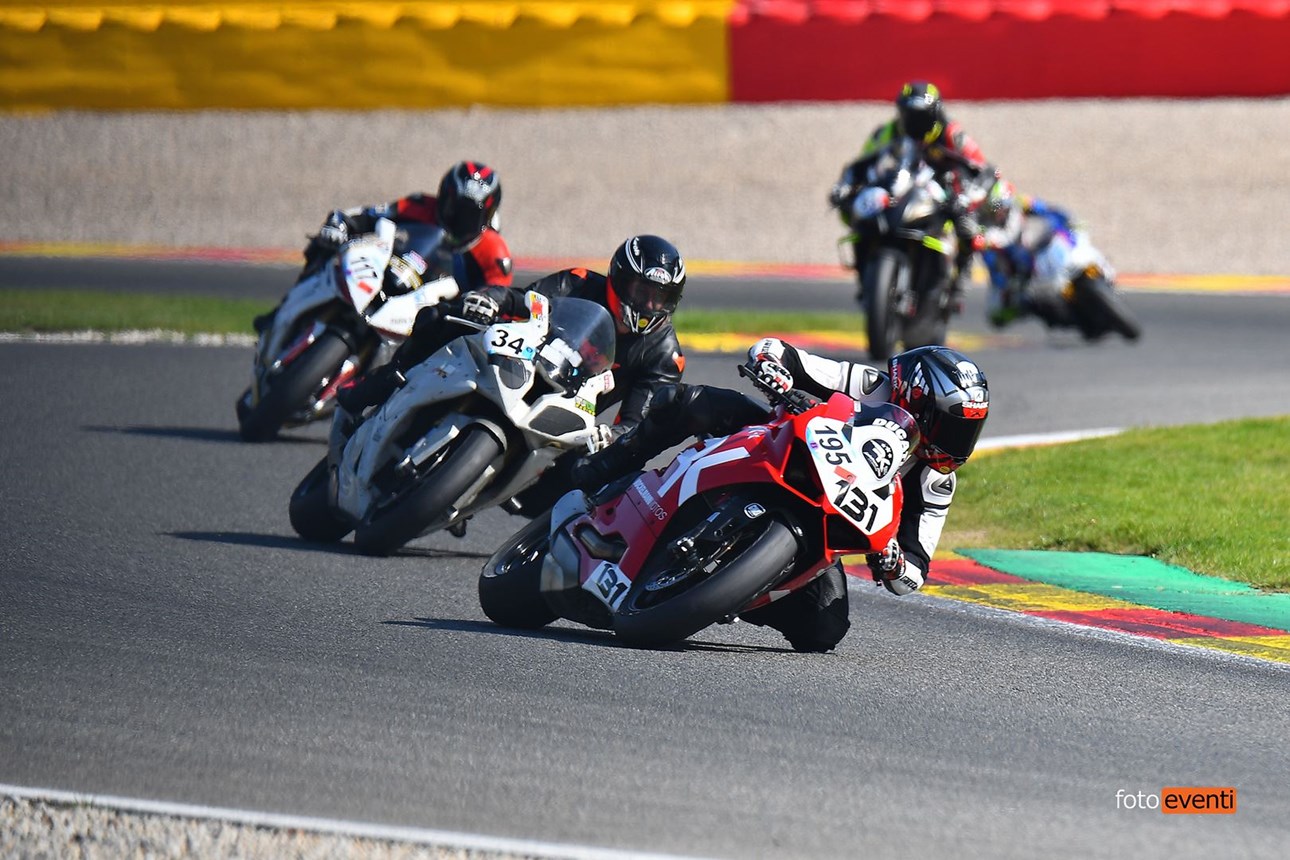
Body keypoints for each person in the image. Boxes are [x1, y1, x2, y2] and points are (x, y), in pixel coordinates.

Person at [569, 338, 990, 653]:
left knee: (825, 627)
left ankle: (730, 592)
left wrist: (894, 562)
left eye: (968, 430)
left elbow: (916, 569)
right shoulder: (869, 386)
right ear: (914, 396)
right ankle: (606, 466)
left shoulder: (935, 480)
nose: (957, 442)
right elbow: (778, 351)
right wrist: (774, 369)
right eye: (952, 425)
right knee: (691, 402)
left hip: (822, 522)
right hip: (777, 449)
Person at [336, 234, 689, 524]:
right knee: (445, 318)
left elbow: (639, 421)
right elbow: (525, 300)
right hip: (522, 359)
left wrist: (612, 435)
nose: (649, 306)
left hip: (569, 410)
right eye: (642, 292)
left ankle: (528, 544)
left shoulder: (665, 355)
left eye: (661, 298)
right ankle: (383, 380)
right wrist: (489, 299)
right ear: (618, 279)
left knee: (592, 478)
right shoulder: (580, 281)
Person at [253, 160, 512, 332]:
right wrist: (340, 224)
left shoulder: (495, 252)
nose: (458, 219)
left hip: (432, 312)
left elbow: (500, 298)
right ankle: (282, 311)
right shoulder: (420, 205)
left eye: (469, 214)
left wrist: (479, 304)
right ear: (443, 195)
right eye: (454, 207)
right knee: (326, 245)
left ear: (487, 217)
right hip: (388, 272)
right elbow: (366, 215)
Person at [830, 81, 994, 307]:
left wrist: (968, 196)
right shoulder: (886, 132)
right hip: (898, 188)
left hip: (940, 189)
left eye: (921, 117)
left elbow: (983, 169)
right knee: (858, 209)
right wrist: (845, 186)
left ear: (935, 114)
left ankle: (960, 280)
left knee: (968, 226)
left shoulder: (952, 134)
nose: (915, 124)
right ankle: (866, 275)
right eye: (909, 116)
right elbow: (860, 164)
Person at [976, 178, 1089, 328]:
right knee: (997, 313)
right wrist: (1006, 285)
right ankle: (1052, 315)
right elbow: (992, 265)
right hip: (1018, 270)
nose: (1001, 213)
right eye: (996, 210)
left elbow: (1049, 211)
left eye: (1003, 208)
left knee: (1075, 237)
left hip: (1036, 249)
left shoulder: (1019, 203)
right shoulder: (983, 228)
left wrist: (1069, 221)